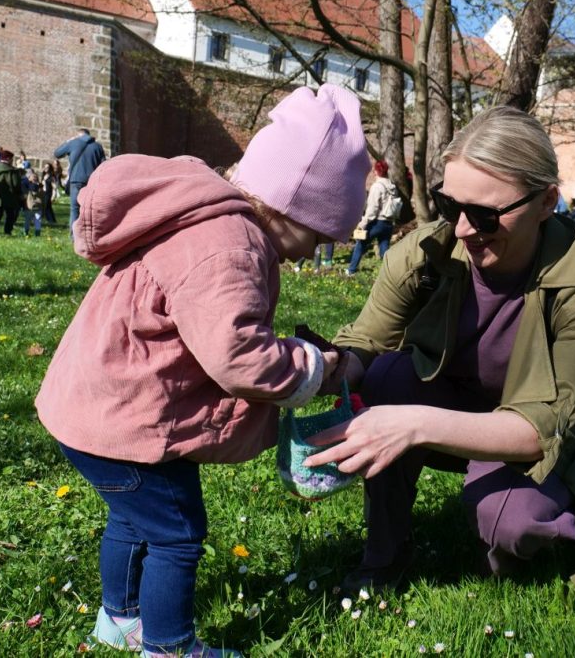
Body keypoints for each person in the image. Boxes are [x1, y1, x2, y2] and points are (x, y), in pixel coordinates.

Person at [35, 85, 368, 658]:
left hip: (91, 408)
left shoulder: (205, 219)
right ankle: (168, 647)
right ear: (293, 205)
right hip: (128, 424)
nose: (316, 251)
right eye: (320, 235)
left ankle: (119, 618)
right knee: (177, 533)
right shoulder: (229, 245)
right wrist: (320, 366)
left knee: (132, 518)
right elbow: (240, 358)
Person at [311, 106, 575, 604]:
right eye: (448, 204)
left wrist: (411, 425)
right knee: (385, 378)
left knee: (515, 523)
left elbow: (544, 428)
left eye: (485, 214)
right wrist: (325, 369)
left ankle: (504, 544)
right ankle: (385, 555)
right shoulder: (425, 253)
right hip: (446, 400)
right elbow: (368, 340)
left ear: (547, 201)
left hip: (522, 429)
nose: (462, 229)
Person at [346, 160, 400, 275]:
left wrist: (363, 223)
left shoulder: (377, 186)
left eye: (374, 170)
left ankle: (351, 270)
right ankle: (388, 273)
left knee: (361, 243)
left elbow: (372, 209)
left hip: (377, 222)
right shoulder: (392, 187)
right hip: (389, 223)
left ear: (377, 171)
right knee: (384, 248)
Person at [54, 127, 106, 229]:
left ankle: (74, 236)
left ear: (79, 135)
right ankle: (89, 233)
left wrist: (68, 141)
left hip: (76, 180)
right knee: (89, 209)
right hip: (92, 181)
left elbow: (57, 153)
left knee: (75, 209)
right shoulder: (98, 146)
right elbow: (103, 165)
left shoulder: (73, 143)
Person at [0, 150, 22, 235]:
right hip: (10, 196)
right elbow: (16, 183)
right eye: (11, 159)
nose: (12, 161)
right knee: (10, 214)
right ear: (8, 158)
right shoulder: (13, 171)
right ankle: (7, 231)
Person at [21, 170, 43, 237]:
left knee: (38, 220)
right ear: (29, 178)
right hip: (29, 205)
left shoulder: (39, 185)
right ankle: (26, 232)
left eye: (35, 177)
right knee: (28, 220)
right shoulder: (26, 184)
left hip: (37, 205)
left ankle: (37, 233)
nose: (34, 178)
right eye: (33, 177)